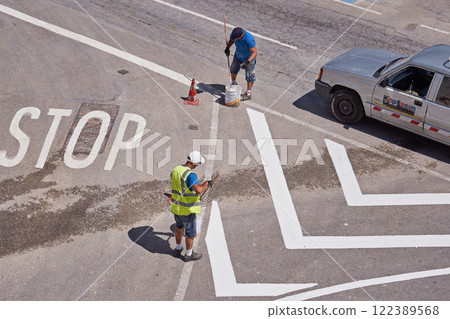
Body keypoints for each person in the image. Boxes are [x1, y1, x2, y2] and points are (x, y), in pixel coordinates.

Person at [170, 151, 209, 262]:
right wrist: (206, 183)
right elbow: (199, 190)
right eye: (198, 163)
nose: (198, 165)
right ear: (195, 163)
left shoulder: (176, 169)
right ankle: (188, 254)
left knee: (178, 228)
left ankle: (178, 248)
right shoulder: (190, 175)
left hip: (176, 207)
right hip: (187, 209)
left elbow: (174, 180)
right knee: (190, 233)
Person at [224, 27, 257, 100]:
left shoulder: (248, 39)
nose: (234, 39)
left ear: (241, 35)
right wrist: (227, 47)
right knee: (233, 70)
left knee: (250, 76)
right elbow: (231, 40)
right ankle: (233, 83)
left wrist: (247, 62)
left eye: (236, 38)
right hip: (238, 56)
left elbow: (254, 52)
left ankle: (248, 93)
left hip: (249, 59)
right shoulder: (235, 35)